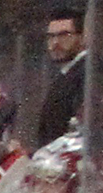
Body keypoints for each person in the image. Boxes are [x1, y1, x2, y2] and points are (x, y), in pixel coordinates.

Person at [35, 10, 88, 145]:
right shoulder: (68, 74)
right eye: (51, 36)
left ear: (83, 37)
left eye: (64, 35)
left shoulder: (88, 72)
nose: (55, 42)